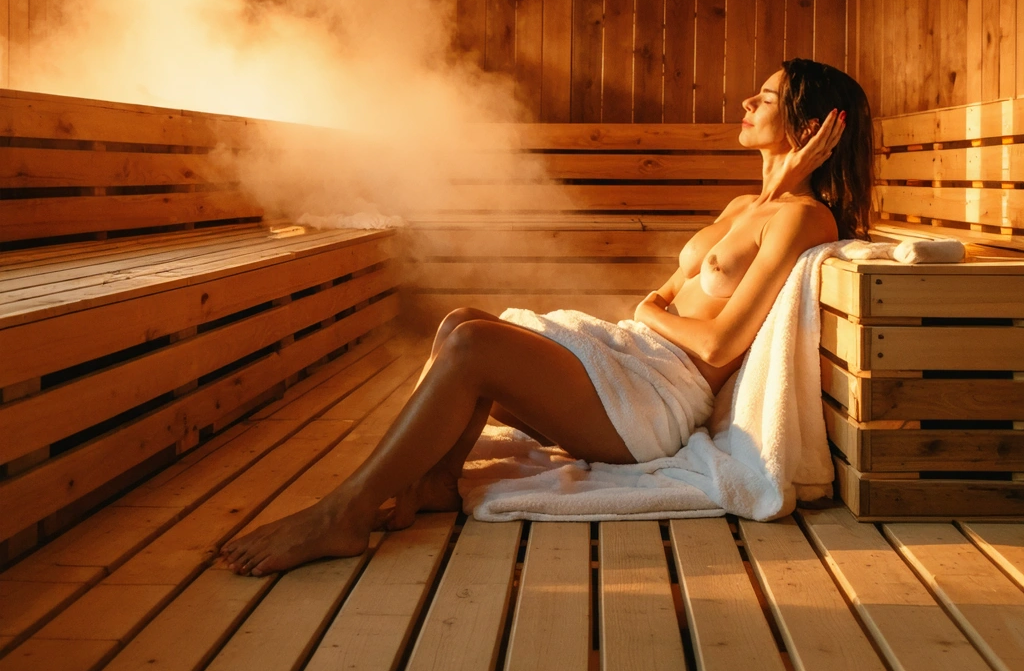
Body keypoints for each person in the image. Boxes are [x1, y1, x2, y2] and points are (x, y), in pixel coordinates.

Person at [220, 58, 873, 576]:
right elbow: (658, 300)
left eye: (765, 96)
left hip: (658, 399)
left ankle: (345, 510)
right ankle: (437, 480)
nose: (746, 103)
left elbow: (720, 345)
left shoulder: (803, 216)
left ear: (810, 123)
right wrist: (652, 305)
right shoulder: (748, 206)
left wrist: (651, 309)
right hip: (637, 357)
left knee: (474, 347)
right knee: (458, 323)